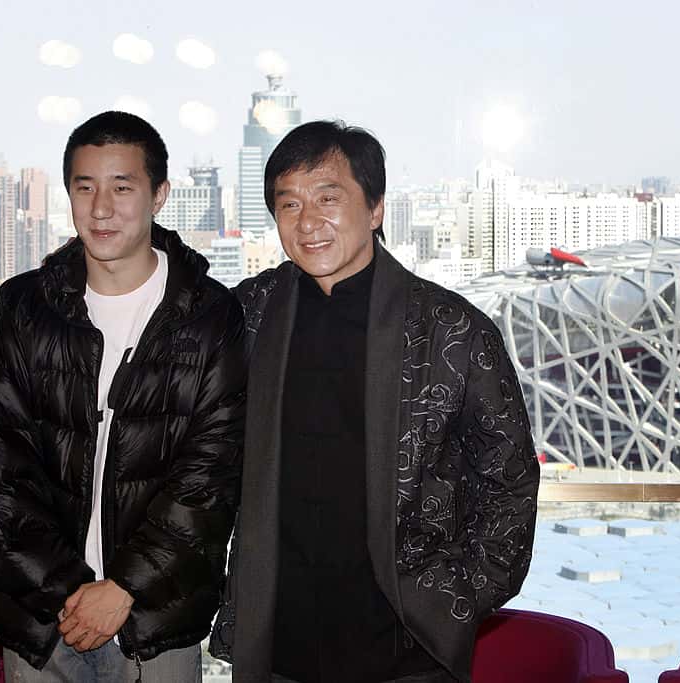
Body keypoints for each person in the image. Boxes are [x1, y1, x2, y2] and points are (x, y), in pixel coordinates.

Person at [210, 121, 540, 683]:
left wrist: (453, 600)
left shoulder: (449, 328)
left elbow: (509, 479)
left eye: (328, 199)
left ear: (377, 208)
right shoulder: (248, 315)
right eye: (288, 204)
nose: (308, 222)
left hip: (405, 650)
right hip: (279, 645)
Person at [0, 110, 246, 682]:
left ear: (160, 194)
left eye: (122, 187)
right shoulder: (24, 310)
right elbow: (6, 469)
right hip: (43, 617)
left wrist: (123, 589)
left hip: (155, 616)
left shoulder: (207, 317)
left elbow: (208, 479)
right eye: (84, 187)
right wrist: (74, 596)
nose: (101, 207)